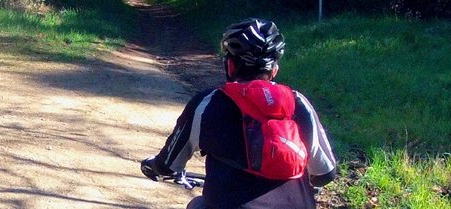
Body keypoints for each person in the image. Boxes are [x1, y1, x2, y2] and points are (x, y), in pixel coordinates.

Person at [140, 18, 337, 209]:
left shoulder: (209, 102)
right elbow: (326, 172)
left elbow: (169, 164)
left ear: (231, 66)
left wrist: (153, 165)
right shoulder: (298, 103)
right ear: (274, 69)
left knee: (197, 205)